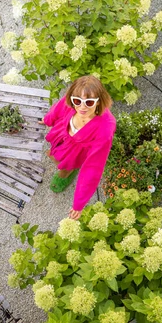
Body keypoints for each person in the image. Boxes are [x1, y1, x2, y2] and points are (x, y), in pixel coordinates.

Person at [42, 75, 116, 220]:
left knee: (65, 166)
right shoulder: (73, 100)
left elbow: (93, 167)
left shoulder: (105, 128)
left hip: (76, 152)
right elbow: (59, 107)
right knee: (51, 155)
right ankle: (65, 169)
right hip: (62, 137)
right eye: (77, 101)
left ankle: (66, 175)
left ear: (99, 101)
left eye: (89, 102)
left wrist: (79, 203)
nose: (82, 107)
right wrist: (47, 120)